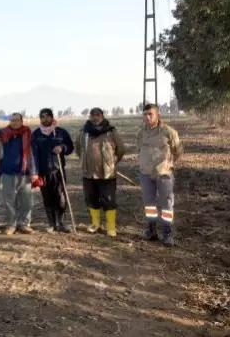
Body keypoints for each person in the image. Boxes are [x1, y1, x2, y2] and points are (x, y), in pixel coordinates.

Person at [75, 107, 126, 237]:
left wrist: (112, 163)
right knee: (91, 199)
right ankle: (95, 224)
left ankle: (111, 228)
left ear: (102, 116)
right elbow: (78, 149)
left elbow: (121, 150)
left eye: (97, 114)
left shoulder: (111, 131)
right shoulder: (83, 132)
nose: (95, 117)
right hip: (89, 173)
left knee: (108, 200)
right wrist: (85, 161)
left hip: (107, 173)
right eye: (92, 115)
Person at [137, 104, 182, 246]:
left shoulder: (169, 132)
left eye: (150, 114)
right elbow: (139, 150)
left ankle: (167, 233)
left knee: (166, 204)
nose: (147, 117)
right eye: (145, 114)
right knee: (149, 205)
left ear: (157, 115)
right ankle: (151, 231)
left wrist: (167, 165)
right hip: (146, 174)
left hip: (164, 174)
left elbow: (178, 151)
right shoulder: (141, 133)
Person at [31, 109, 75, 233]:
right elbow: (33, 153)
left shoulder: (61, 132)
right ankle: (51, 223)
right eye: (42, 117)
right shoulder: (36, 134)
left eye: (47, 116)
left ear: (52, 117)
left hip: (58, 170)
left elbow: (70, 147)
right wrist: (34, 172)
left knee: (60, 197)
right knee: (47, 198)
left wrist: (62, 147)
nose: (45, 119)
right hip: (43, 172)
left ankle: (61, 222)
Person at [0, 113, 38, 235]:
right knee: (9, 201)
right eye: (12, 120)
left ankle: (24, 224)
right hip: (8, 173)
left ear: (21, 121)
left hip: (25, 173)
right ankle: (11, 225)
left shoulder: (27, 134)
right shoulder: (3, 134)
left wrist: (34, 172)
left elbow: (32, 154)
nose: (14, 122)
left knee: (27, 201)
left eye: (17, 120)